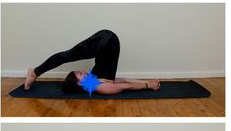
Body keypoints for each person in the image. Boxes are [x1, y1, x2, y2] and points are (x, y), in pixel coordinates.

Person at [24, 27, 161, 92]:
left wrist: (148, 84)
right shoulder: (99, 86)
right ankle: (35, 72)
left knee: (68, 55)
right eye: (80, 74)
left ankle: (35, 72)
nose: (84, 71)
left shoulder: (95, 80)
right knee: (67, 55)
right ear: (79, 84)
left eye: (80, 72)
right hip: (107, 40)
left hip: (105, 41)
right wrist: (147, 83)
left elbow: (124, 83)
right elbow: (124, 83)